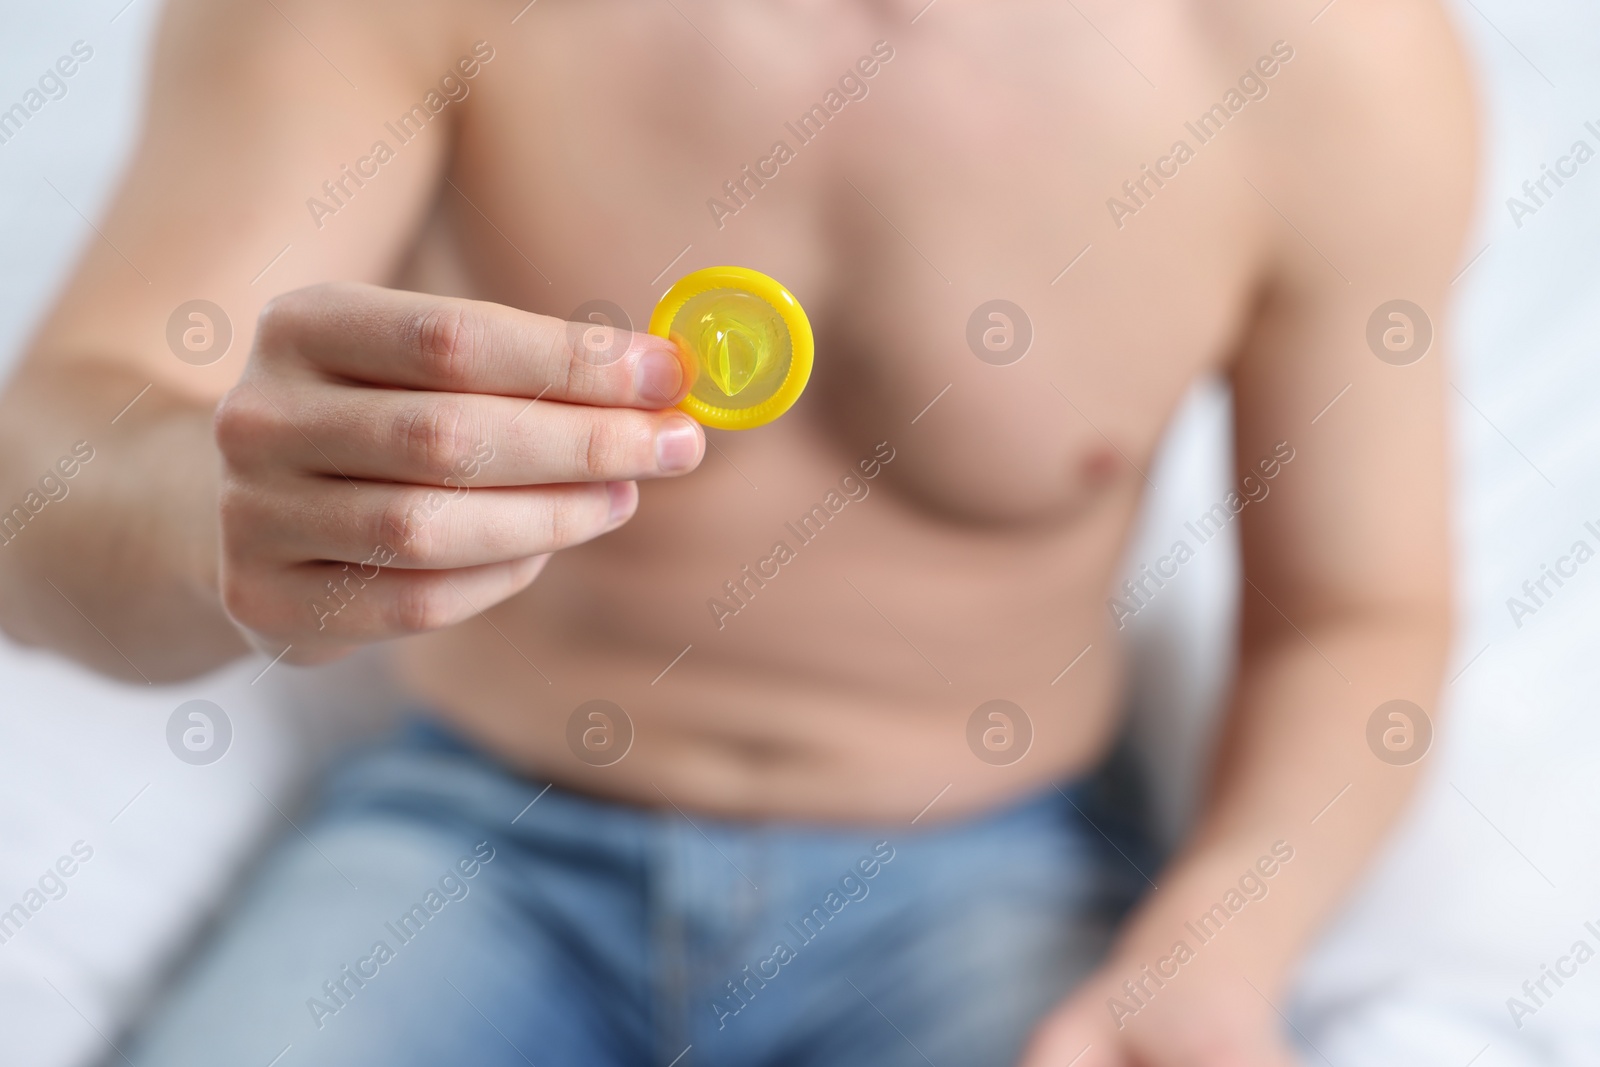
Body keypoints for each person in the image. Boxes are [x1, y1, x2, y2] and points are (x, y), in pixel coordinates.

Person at [0, 1, 1474, 1064]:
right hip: (476, 836)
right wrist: (219, 521)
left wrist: (1216, 955)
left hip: (988, 877)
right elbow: (38, 490)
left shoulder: (1330, 61)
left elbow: (1361, 614)